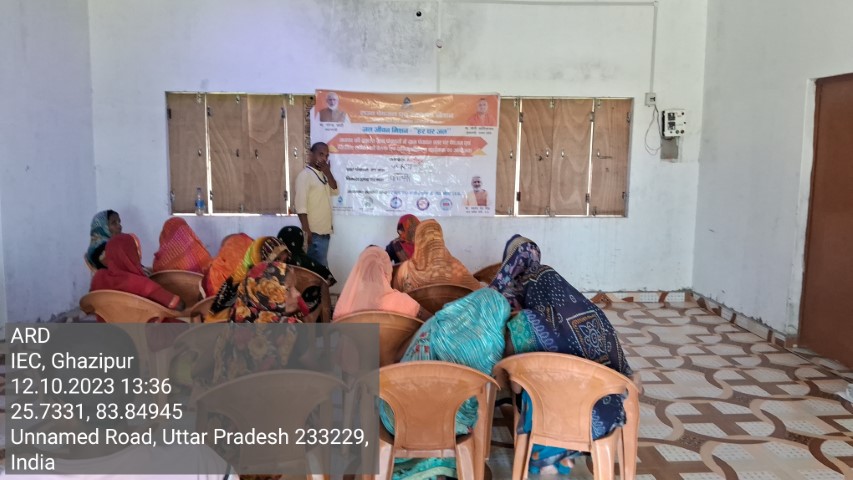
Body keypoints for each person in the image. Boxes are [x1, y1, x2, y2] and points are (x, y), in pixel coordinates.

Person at [490, 234, 635, 475]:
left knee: (531, 390)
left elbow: (513, 384)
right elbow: (626, 376)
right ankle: (568, 453)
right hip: (602, 414)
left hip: (550, 417)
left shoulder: (523, 323)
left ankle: (548, 453)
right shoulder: (595, 315)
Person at [378, 288, 511, 479]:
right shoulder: (490, 354)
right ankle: (444, 462)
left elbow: (397, 358)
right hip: (451, 428)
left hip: (398, 421)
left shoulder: (436, 324)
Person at [90, 233, 185, 313]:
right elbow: (178, 305)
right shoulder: (143, 284)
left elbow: (89, 306)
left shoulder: (98, 277)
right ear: (132, 254)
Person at [333, 246, 429, 321]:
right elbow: (431, 321)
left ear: (359, 271)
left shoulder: (345, 304)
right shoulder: (401, 301)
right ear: (387, 270)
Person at [207, 237, 289, 322]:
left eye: (285, 261)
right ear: (262, 258)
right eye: (277, 260)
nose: (281, 265)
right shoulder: (241, 284)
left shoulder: (278, 281)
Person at [391, 219, 481, 292]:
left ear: (418, 240)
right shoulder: (456, 267)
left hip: (413, 309)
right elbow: (478, 292)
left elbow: (396, 296)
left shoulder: (405, 270)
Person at [294, 142, 338, 268]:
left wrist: (328, 173)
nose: (324, 158)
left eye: (326, 156)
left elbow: (335, 190)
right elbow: (300, 207)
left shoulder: (323, 175)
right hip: (314, 234)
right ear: (311, 155)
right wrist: (307, 232)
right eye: (321, 154)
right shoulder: (305, 176)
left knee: (319, 270)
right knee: (319, 271)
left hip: (324, 233)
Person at [277, 226, 337, 313]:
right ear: (300, 241)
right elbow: (328, 280)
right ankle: (325, 317)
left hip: (282, 304)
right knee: (322, 291)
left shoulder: (276, 264)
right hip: (308, 305)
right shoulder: (311, 262)